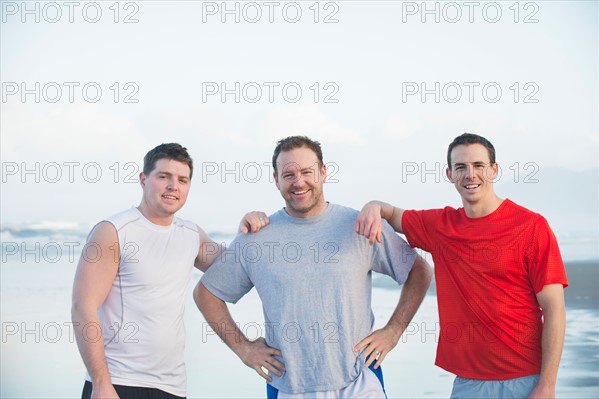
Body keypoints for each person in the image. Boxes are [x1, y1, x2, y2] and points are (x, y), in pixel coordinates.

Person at [195, 136, 433, 398]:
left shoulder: (360, 225)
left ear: (323, 172)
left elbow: (418, 270)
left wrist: (393, 331)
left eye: (307, 172)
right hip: (289, 384)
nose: (299, 182)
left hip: (359, 380)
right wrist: (244, 349)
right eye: (289, 174)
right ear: (276, 180)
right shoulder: (256, 238)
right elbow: (206, 293)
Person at [355, 133, 568, 398]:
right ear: (449, 173)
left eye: (479, 166)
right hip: (468, 383)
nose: (470, 175)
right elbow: (392, 214)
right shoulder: (441, 226)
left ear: (494, 170)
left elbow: (554, 308)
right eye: (461, 167)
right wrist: (372, 206)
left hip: (524, 378)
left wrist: (547, 384)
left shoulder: (531, 227)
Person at [71, 143, 267, 399]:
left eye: (182, 180)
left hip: (172, 386)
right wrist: (100, 383)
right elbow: (82, 307)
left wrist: (248, 229)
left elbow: (238, 268)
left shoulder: (190, 234)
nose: (174, 186)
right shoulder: (114, 231)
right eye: (164, 177)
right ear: (143, 179)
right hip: (118, 382)